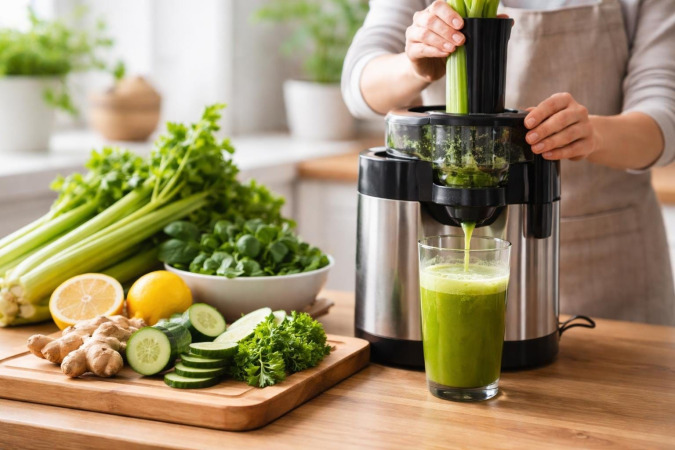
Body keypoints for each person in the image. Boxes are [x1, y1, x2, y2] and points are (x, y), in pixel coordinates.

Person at [342, 0, 675, 325]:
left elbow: (664, 120)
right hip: (451, 235)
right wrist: (413, 66)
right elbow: (359, 84)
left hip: (610, 271)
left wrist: (592, 134)